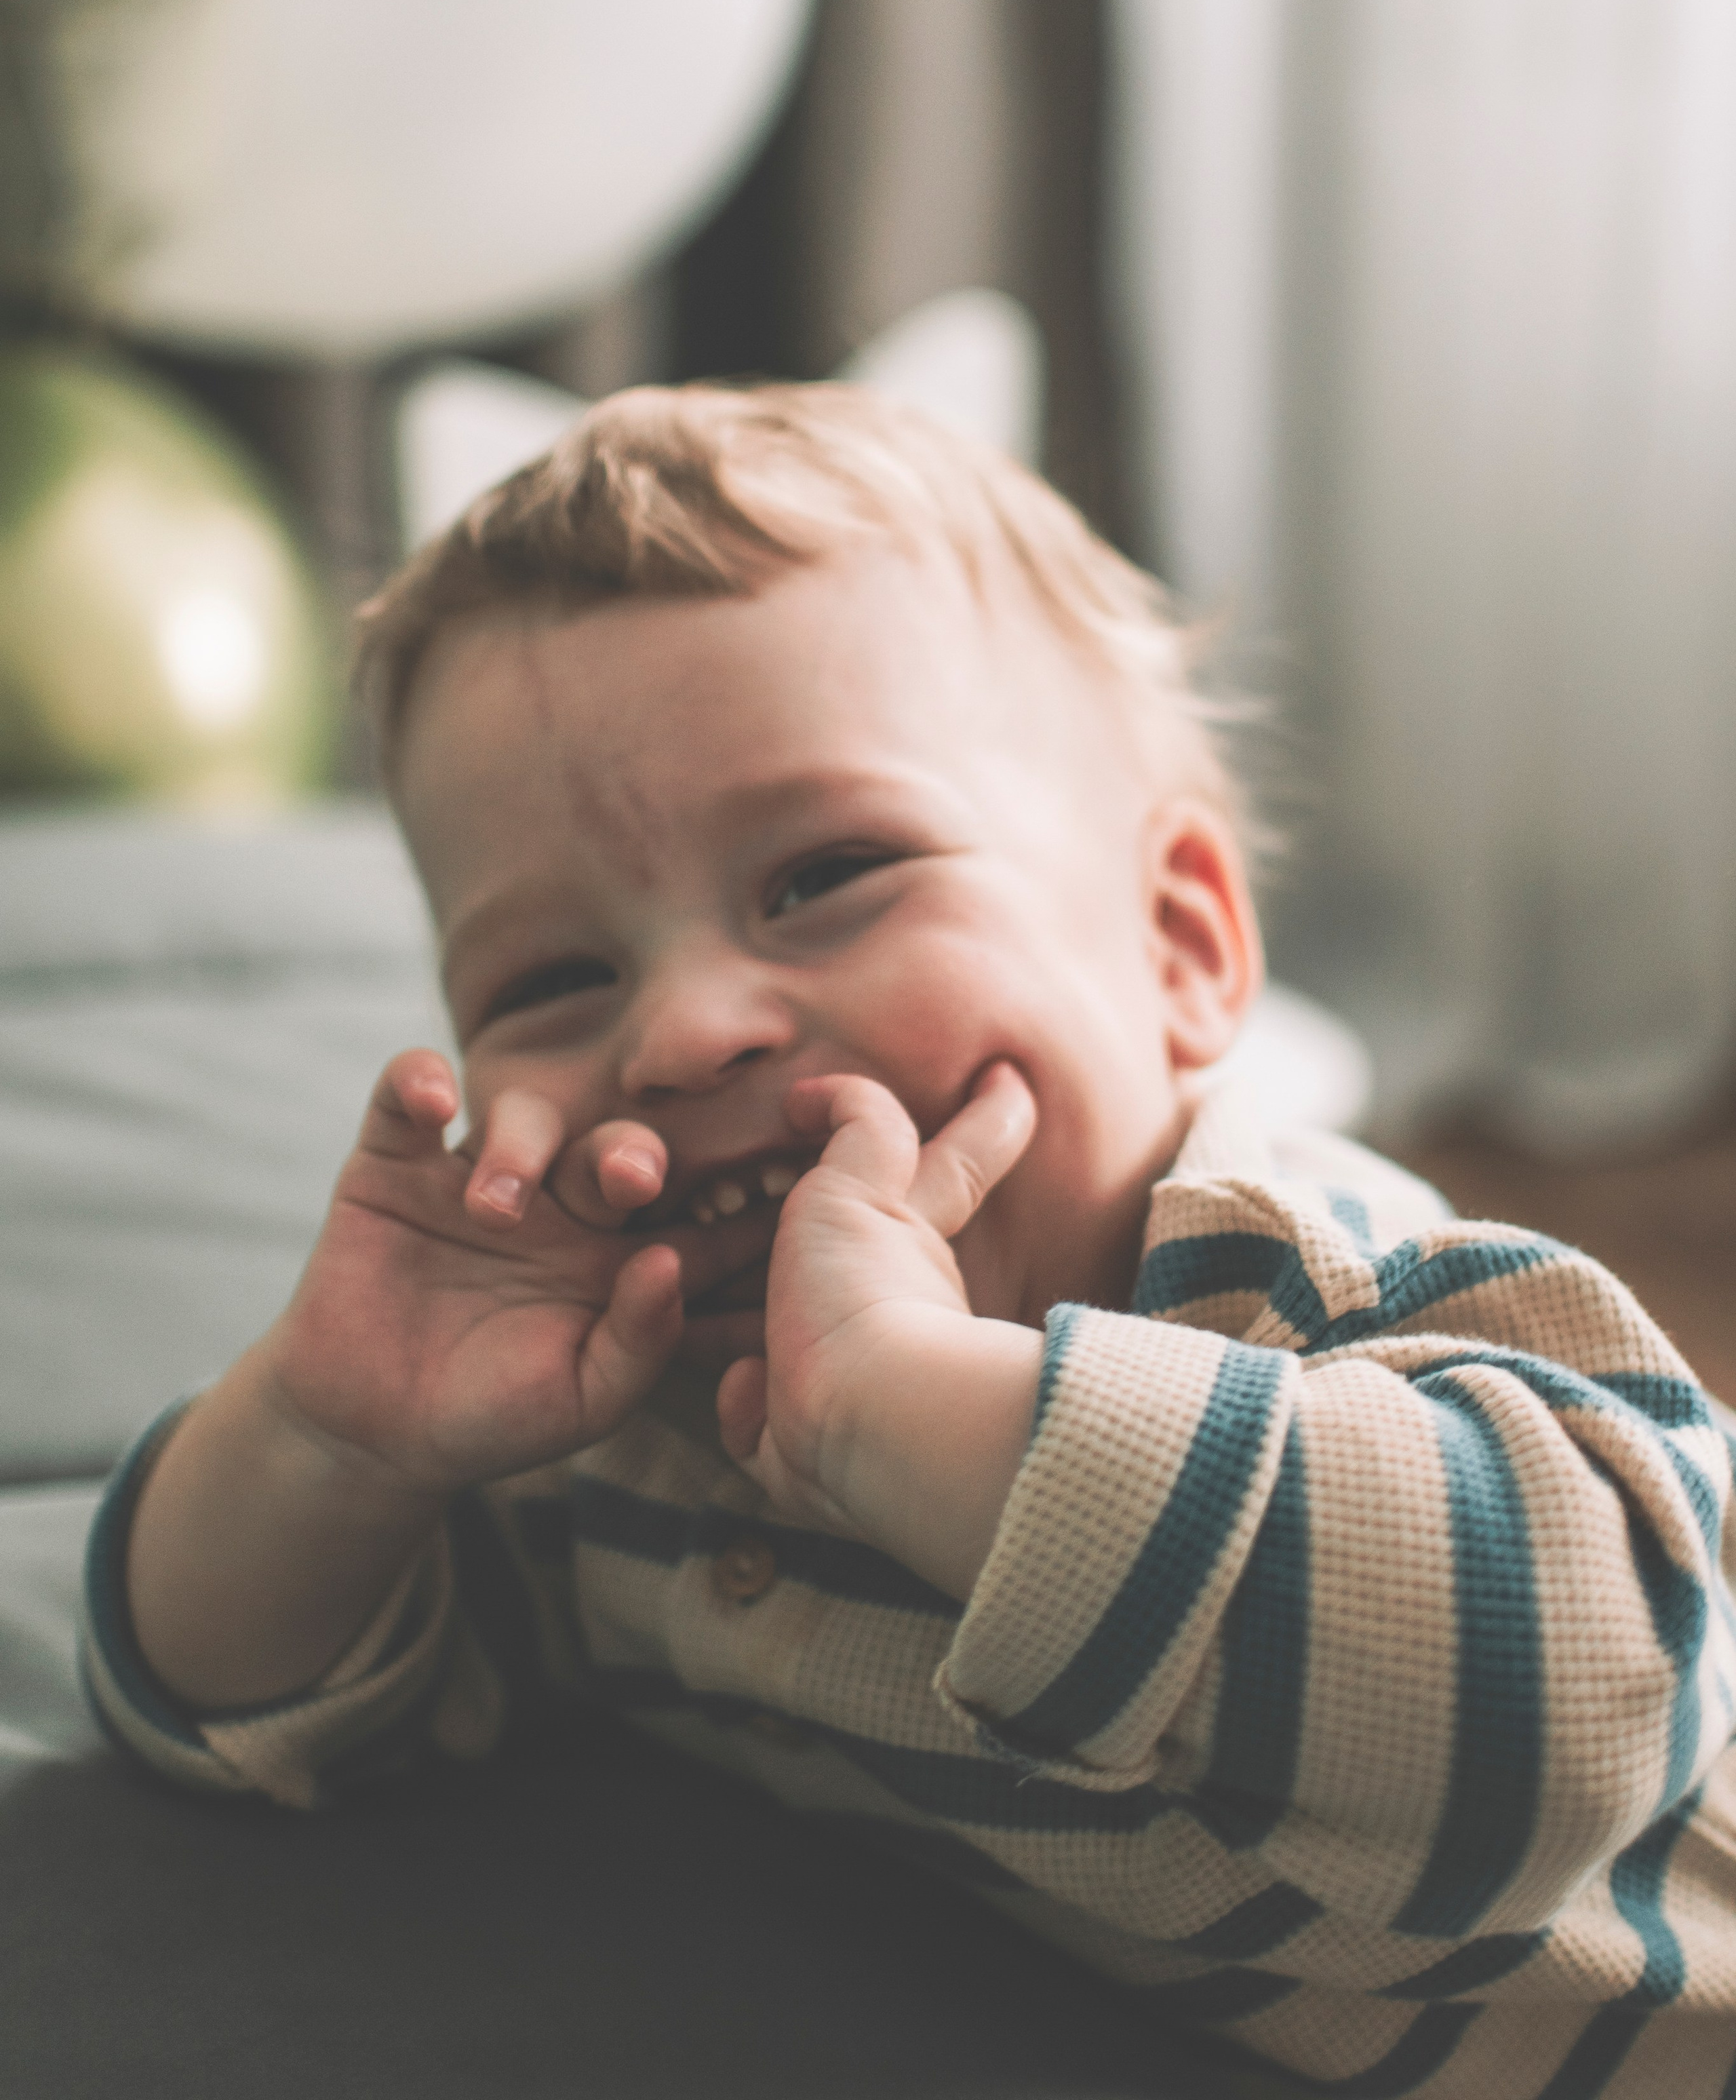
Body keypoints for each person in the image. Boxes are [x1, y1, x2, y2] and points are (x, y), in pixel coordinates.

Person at [83, 385, 1736, 2099]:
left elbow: (1585, 1707)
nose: (684, 1033)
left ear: (1177, 948)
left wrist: (910, 1406)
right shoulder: (636, 1446)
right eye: (552, 980)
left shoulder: (1319, 1295)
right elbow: (224, 1713)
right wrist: (327, 1441)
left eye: (823, 878)